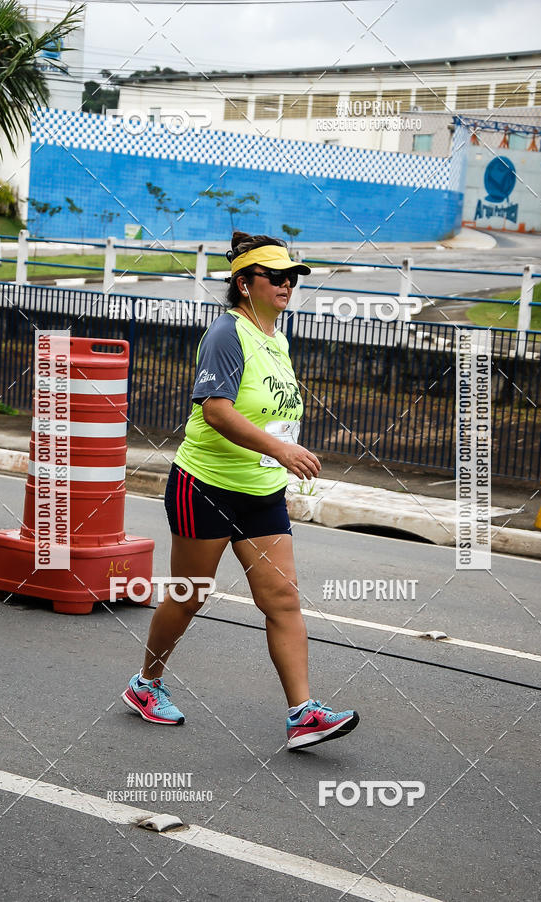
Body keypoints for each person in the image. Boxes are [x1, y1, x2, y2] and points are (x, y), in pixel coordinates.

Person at [122, 231, 359, 750]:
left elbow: (269, 411)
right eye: (275, 276)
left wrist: (280, 452)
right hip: (205, 486)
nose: (287, 284)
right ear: (244, 283)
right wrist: (281, 452)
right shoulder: (226, 334)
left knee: (283, 600)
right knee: (189, 596)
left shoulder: (277, 339)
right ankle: (146, 684)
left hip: (261, 491)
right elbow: (217, 409)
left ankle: (303, 715)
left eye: (292, 276)